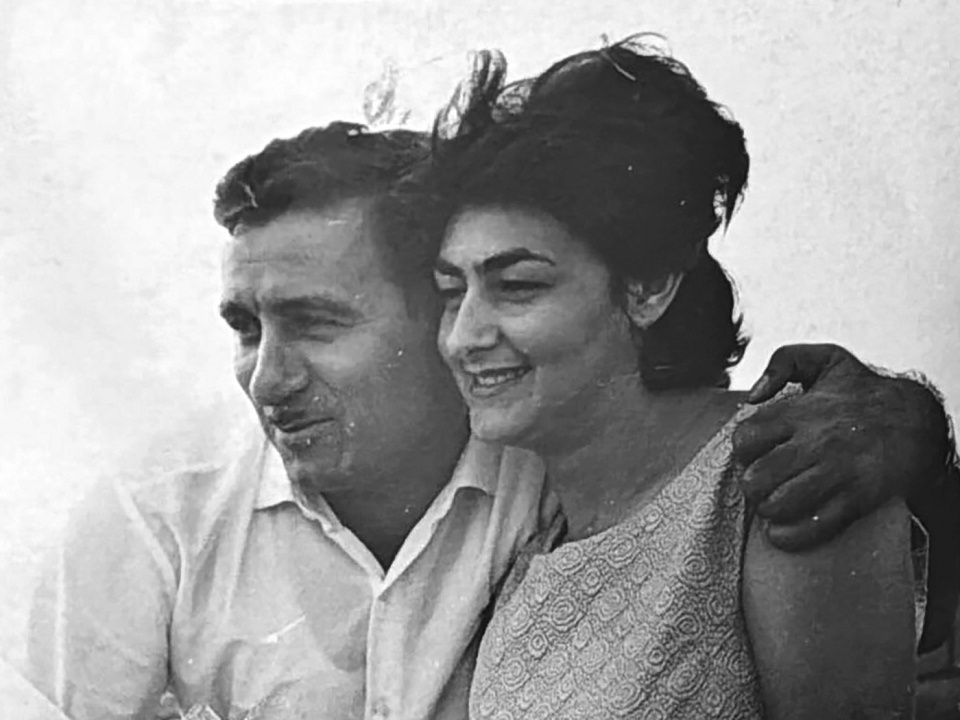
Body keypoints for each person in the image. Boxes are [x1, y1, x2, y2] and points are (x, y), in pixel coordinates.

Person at [19, 114, 957, 720]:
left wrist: (906, 421)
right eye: (244, 327)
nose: (267, 379)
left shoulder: (551, 457)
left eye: (315, 323)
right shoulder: (158, 517)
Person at [419, 39, 958, 719]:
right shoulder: (531, 546)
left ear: (648, 287)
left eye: (519, 285)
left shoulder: (791, 464)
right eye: (451, 292)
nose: (463, 336)